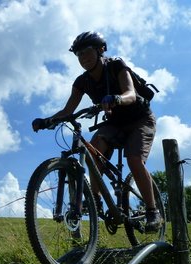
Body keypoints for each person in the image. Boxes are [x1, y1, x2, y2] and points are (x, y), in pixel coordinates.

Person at [32, 31, 162, 231]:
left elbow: (131, 94)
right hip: (115, 123)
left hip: (140, 119)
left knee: (134, 159)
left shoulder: (116, 65)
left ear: (101, 50)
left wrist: (116, 98)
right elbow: (68, 111)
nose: (83, 58)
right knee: (94, 149)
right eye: (79, 55)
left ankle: (153, 211)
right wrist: (47, 121)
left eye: (87, 52)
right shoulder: (82, 81)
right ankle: (96, 199)